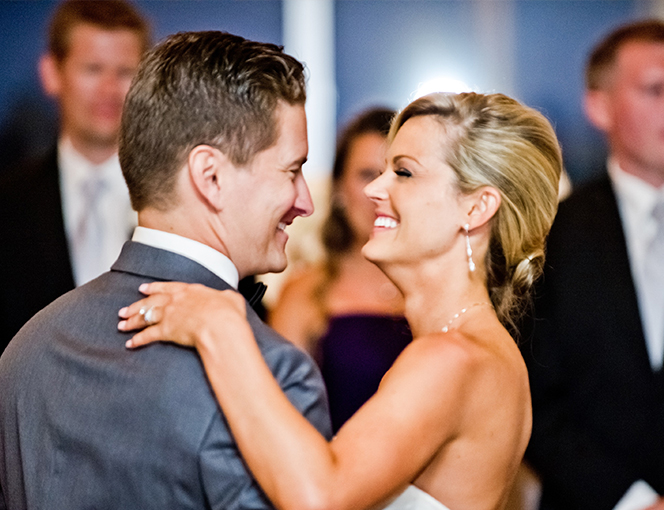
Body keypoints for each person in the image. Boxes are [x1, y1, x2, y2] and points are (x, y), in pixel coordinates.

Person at [120, 91, 563, 510]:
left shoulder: (452, 359)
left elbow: (320, 496)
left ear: (476, 208)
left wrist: (221, 327)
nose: (375, 190)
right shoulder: (483, 351)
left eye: (403, 172)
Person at [0, 30, 331, 509]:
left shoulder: (27, 351)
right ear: (210, 176)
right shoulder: (269, 374)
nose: (306, 202)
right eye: (291, 170)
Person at [520, 19, 664, 510]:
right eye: (655, 89)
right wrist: (634, 502)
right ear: (600, 107)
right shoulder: (552, 236)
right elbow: (534, 400)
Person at [0, 0, 150, 354]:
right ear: (52, 73)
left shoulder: (184, 203)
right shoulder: (6, 207)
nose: (110, 90)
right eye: (93, 69)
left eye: (126, 71)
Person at [269, 107, 412, 432]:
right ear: (338, 189)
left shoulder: (435, 290)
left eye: (398, 174)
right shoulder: (305, 290)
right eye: (367, 174)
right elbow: (278, 420)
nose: (381, 192)